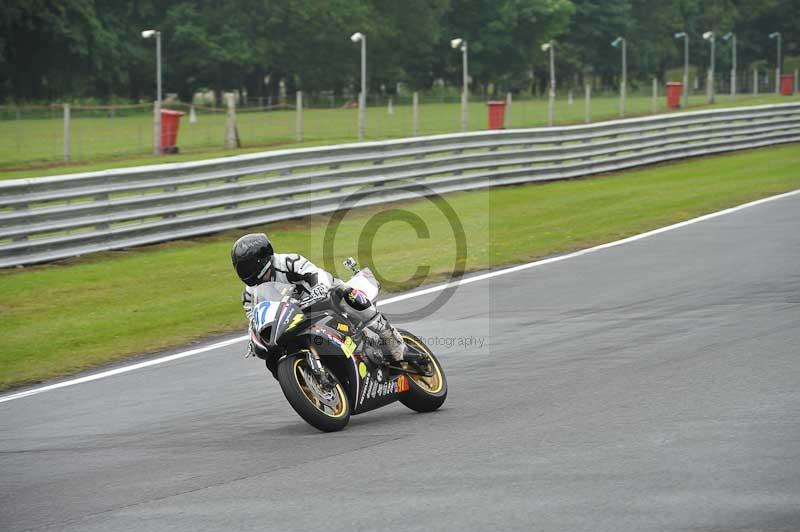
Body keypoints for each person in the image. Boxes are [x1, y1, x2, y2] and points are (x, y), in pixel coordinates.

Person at [230, 232, 408, 362]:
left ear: (263, 258)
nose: (247, 273)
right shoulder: (249, 294)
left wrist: (318, 289)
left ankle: (390, 337)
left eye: (249, 266)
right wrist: (254, 338)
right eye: (242, 268)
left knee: (345, 293)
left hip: (320, 299)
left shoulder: (288, 262)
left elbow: (316, 275)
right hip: (291, 320)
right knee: (272, 355)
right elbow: (255, 319)